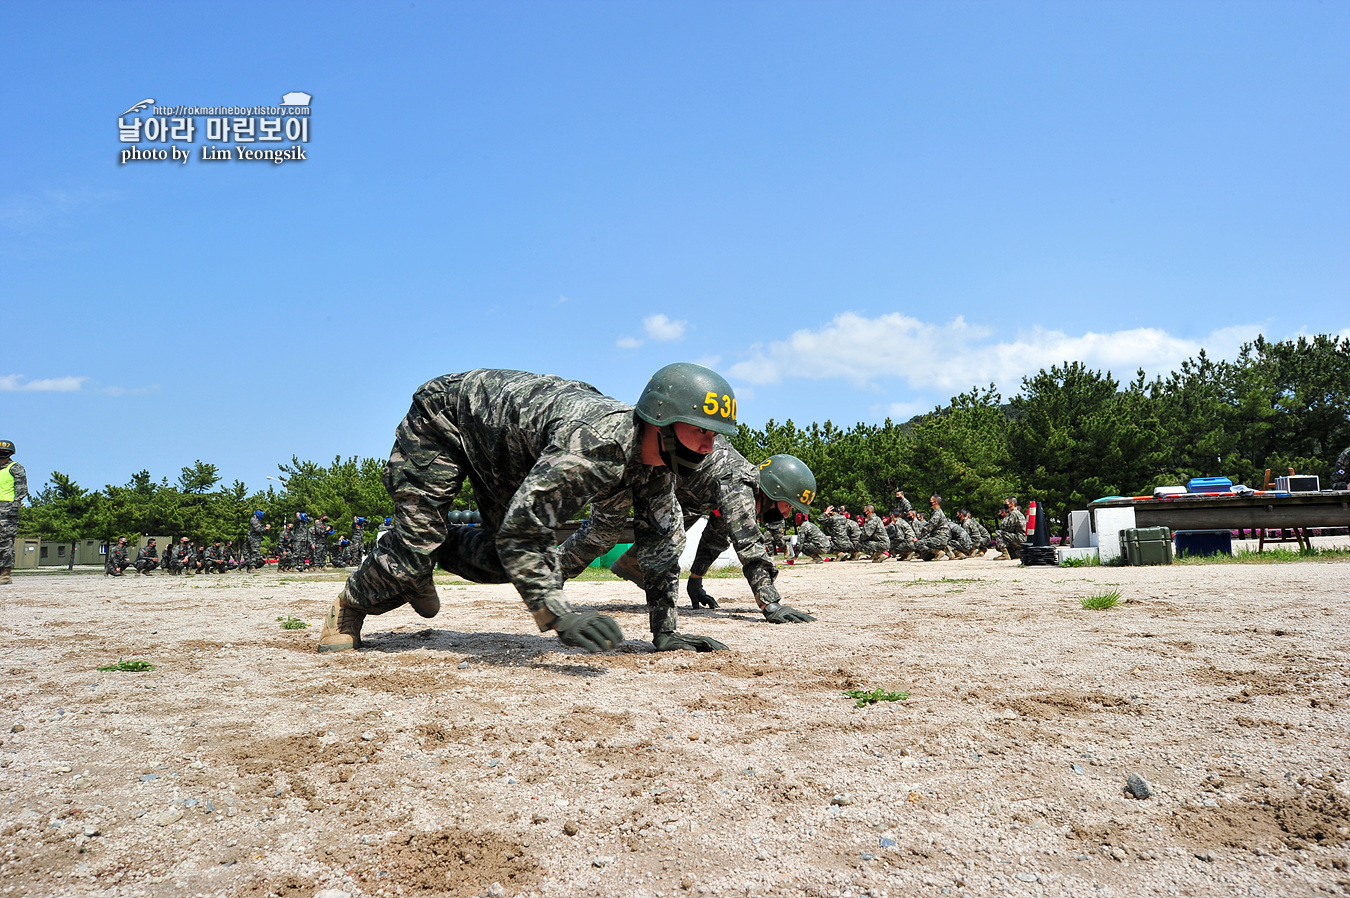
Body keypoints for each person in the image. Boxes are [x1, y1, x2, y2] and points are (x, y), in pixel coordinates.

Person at [319, 363, 739, 655]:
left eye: (714, 434)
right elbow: (524, 529)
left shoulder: (657, 467)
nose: (708, 444)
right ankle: (351, 606)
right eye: (700, 430)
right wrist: (557, 614)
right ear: (661, 422)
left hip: (505, 450)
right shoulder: (595, 444)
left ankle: (428, 559)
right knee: (416, 543)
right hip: (444, 417)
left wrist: (664, 632)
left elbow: (661, 545)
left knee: (511, 563)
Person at [600, 450, 817, 623]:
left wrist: (695, 580)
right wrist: (770, 603)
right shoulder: (738, 483)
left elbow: (716, 535)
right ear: (774, 491)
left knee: (682, 520)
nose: (787, 513)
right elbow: (749, 544)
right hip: (636, 470)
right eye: (787, 505)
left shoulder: (734, 487)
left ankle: (634, 563)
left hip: (670, 487)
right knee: (601, 534)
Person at [0, 440, 29, 585]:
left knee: (5, 542)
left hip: (7, 510)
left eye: (4, 453)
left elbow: (21, 490)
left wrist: (14, 507)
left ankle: (5, 573)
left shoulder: (15, 468)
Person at [914, 495, 952, 561]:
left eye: (931, 501)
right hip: (940, 538)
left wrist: (918, 538)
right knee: (926, 557)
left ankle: (938, 552)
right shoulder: (937, 512)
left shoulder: (937, 514)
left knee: (918, 543)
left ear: (935, 502)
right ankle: (945, 549)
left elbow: (928, 528)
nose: (929, 502)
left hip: (939, 538)